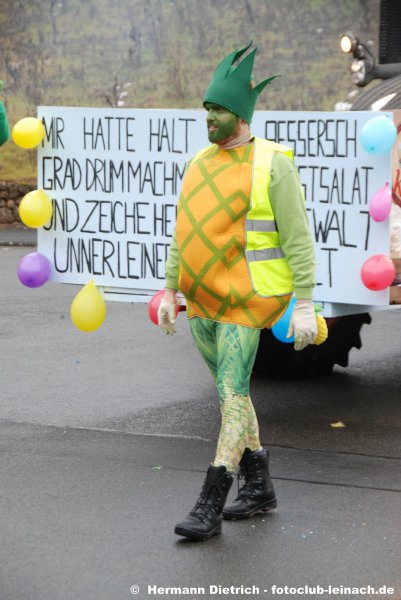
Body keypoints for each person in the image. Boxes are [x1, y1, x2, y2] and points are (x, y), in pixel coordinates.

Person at [157, 42, 317, 541]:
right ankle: (260, 485)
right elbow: (182, 233)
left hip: (248, 301)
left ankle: (210, 499)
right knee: (234, 397)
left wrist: (306, 302)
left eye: (218, 109)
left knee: (231, 393)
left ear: (241, 115)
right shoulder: (198, 163)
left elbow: (298, 239)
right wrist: (169, 291)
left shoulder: (273, 163)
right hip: (201, 300)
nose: (208, 116)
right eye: (206, 107)